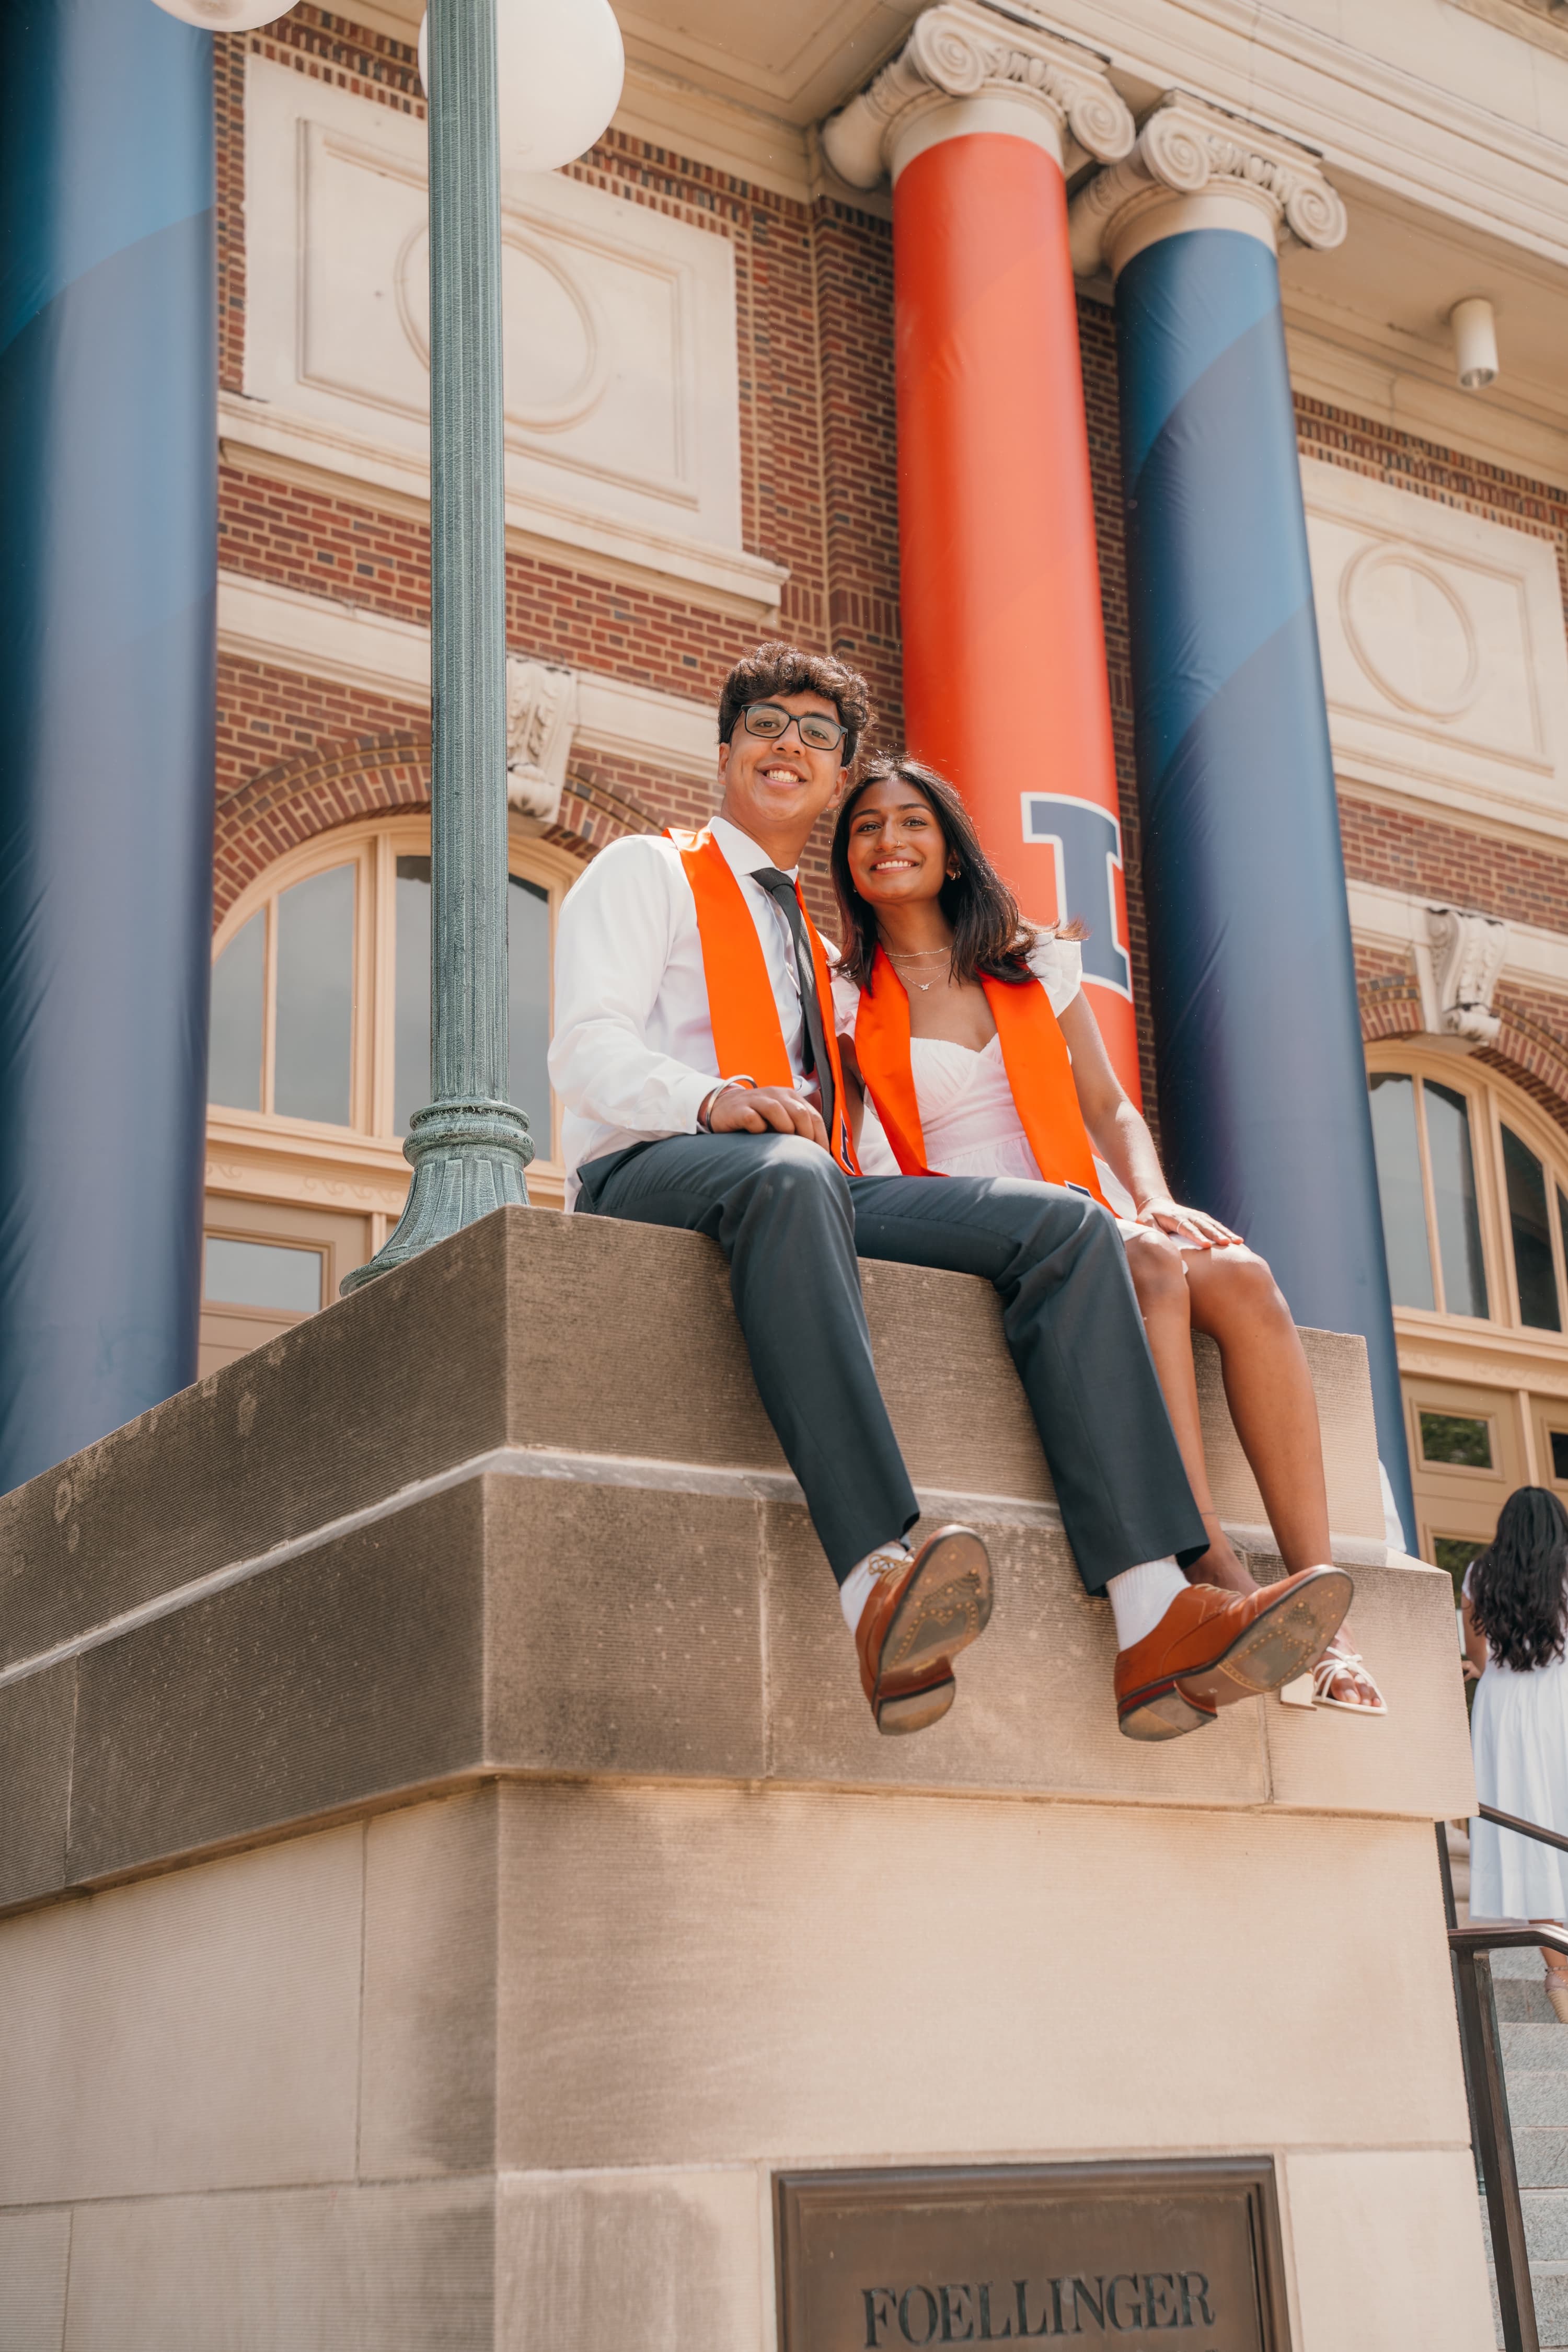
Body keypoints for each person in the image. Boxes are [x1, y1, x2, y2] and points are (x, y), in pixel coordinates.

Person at [548, 641, 1352, 1742]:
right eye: (766, 725)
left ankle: (1153, 1614)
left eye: (817, 735)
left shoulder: (816, 952)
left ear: (838, 777)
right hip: (654, 1165)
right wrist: (713, 1096)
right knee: (793, 1173)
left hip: (804, 1182)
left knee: (1070, 1226)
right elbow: (585, 1051)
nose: (789, 746)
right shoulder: (647, 870)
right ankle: (874, 1581)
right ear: (725, 751)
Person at [828, 753, 1384, 1716]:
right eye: (866, 827)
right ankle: (1212, 1566)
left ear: (952, 852)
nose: (889, 840)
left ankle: (1321, 1608)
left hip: (1083, 1194)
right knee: (1147, 1263)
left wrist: (1154, 1194)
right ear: (848, 863)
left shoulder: (1031, 963)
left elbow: (1109, 1104)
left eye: (912, 821)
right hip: (974, 1220)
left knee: (1243, 1275)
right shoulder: (842, 994)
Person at [1463, 1486, 1568, 2020]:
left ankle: (1560, 1974)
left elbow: (1478, 1653)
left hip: (1503, 1708)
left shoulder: (1481, 1575)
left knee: (1527, 1833)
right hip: (1559, 1701)